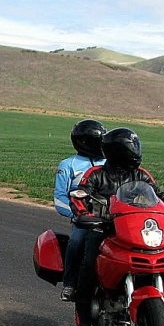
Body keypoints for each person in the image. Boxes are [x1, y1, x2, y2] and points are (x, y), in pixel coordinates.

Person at [70, 127, 164, 301]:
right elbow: (80, 195)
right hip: (104, 227)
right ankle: (84, 309)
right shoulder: (96, 174)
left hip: (132, 227)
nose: (136, 150)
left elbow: (161, 196)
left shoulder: (141, 174)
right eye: (132, 147)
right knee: (90, 264)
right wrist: (85, 214)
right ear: (118, 151)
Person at [53, 119, 107, 301]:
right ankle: (69, 283)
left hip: (110, 216)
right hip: (83, 217)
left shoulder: (109, 162)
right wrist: (76, 214)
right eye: (96, 141)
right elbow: (59, 198)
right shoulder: (68, 165)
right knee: (76, 241)